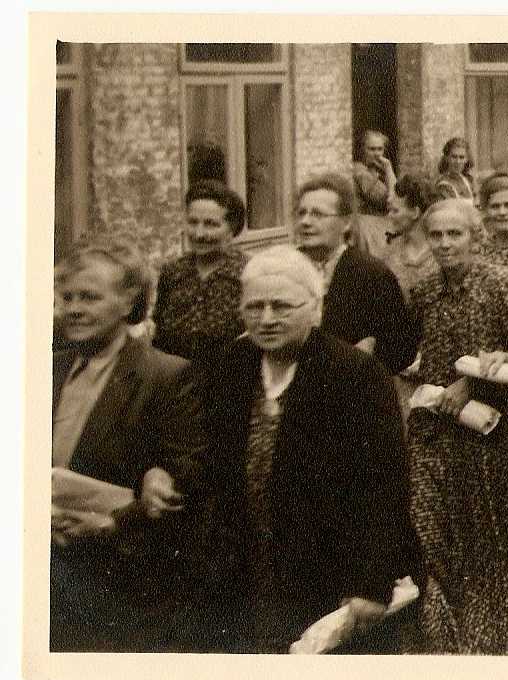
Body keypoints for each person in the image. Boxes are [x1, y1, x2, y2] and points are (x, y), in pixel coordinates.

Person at [185, 245, 416, 653]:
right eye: (254, 306)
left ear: (315, 308)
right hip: (245, 564)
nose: (266, 319)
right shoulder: (231, 364)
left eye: (281, 306)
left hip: (324, 567)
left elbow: (385, 484)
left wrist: (372, 582)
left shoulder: (355, 374)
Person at [52, 238, 207, 651]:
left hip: (116, 581)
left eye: (89, 297)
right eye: (67, 297)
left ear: (128, 302)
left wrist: (115, 522)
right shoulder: (47, 368)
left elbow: (185, 477)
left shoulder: (166, 376)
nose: (73, 309)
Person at [407, 199, 508, 654]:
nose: (445, 244)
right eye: (437, 235)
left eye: (455, 234)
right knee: (430, 529)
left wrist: (477, 379)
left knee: (486, 541)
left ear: (475, 235)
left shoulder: (500, 285)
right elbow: (412, 353)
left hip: (491, 436)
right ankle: (444, 635)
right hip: (434, 430)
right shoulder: (425, 291)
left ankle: (490, 641)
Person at [293, 173, 417, 374]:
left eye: (318, 214)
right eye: (301, 213)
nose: (305, 221)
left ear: (346, 223)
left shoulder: (372, 275)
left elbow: (401, 350)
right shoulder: (285, 270)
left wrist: (365, 356)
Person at [153, 180, 247, 365]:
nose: (199, 233)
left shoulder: (247, 274)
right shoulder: (172, 273)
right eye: (193, 222)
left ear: (232, 228)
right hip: (176, 377)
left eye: (211, 224)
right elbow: (160, 335)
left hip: (229, 375)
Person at [384, 173, 441, 299]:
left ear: (415, 212)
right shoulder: (391, 250)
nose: (389, 216)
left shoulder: (441, 252)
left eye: (395, 211)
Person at [352, 129, 397, 216]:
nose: (377, 153)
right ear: (362, 150)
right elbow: (394, 201)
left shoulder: (375, 170)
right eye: (372, 149)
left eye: (380, 149)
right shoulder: (359, 171)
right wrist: (388, 169)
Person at [436, 137, 476, 202]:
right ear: (447, 158)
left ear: (466, 159)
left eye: (461, 157)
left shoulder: (469, 180)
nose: (458, 161)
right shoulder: (443, 185)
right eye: (454, 157)